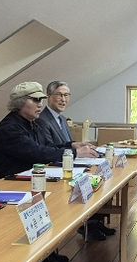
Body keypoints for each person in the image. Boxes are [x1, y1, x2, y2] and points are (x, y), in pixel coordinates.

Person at [40, 80, 114, 241]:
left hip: (69, 164)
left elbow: (65, 144)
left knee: (98, 176)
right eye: (59, 95)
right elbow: (49, 149)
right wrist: (76, 151)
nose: (63, 99)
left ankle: (94, 221)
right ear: (48, 96)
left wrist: (78, 145)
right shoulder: (42, 119)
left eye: (66, 95)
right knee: (89, 178)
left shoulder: (62, 119)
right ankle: (88, 225)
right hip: (56, 168)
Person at [0, 81, 97, 179]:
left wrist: (71, 146)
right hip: (10, 183)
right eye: (35, 100)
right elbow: (38, 153)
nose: (40, 104)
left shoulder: (32, 123)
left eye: (41, 100)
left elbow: (47, 146)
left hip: (30, 178)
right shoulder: (10, 128)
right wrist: (75, 153)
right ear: (20, 102)